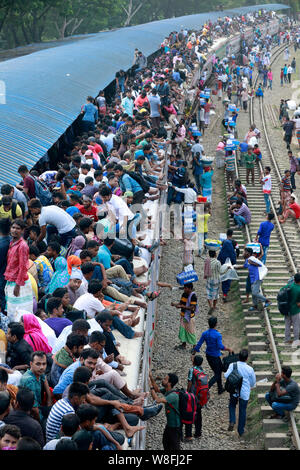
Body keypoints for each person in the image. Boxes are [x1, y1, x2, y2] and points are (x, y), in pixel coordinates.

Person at [192, 316, 233, 394]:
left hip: (208, 356)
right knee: (217, 374)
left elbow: (199, 344)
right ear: (216, 324)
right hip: (215, 357)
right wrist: (228, 349)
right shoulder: (217, 335)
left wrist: (194, 352)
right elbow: (220, 346)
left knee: (218, 372)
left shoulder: (205, 333)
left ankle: (220, 389)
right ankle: (206, 388)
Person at [4, 219, 33, 321]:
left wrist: (17, 285)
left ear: (22, 231)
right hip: (11, 280)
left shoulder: (22, 246)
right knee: (12, 311)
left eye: (18, 228)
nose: (15, 230)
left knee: (20, 313)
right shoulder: (12, 242)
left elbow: (23, 266)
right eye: (13, 227)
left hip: (19, 283)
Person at [224, 349, 256, 437]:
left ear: (238, 357)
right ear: (247, 358)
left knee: (232, 405)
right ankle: (240, 431)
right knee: (242, 410)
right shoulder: (250, 369)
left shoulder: (233, 365)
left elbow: (226, 375)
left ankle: (232, 421)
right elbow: (253, 382)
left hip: (234, 390)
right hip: (244, 392)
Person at [149, 371, 181, 451]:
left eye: (165, 379)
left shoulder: (173, 396)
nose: (163, 380)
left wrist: (151, 387)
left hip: (175, 426)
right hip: (170, 424)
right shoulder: (167, 390)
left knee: (174, 446)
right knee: (166, 443)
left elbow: (157, 400)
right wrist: (151, 378)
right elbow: (157, 390)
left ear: (169, 383)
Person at [19, 351, 52, 424]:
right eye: (38, 364)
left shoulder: (39, 372)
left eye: (44, 364)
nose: (42, 367)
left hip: (39, 407)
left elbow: (44, 379)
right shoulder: (30, 381)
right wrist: (39, 424)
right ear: (31, 364)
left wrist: (49, 401)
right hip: (30, 414)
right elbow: (34, 409)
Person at [240, 247, 271, 311]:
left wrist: (252, 263)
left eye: (244, 252)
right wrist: (234, 267)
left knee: (254, 292)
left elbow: (260, 264)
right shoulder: (248, 260)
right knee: (253, 293)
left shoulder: (252, 259)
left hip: (257, 278)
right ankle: (255, 305)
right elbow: (244, 266)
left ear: (248, 253)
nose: (243, 253)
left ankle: (267, 301)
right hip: (252, 278)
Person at [171, 283, 198, 350]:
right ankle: (183, 344)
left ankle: (194, 347)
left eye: (186, 288)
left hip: (190, 317)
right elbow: (181, 303)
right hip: (183, 316)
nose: (185, 289)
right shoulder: (184, 294)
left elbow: (192, 308)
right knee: (183, 330)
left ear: (190, 289)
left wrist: (182, 306)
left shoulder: (193, 296)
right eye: (184, 288)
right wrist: (175, 304)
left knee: (191, 332)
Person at [186, 355, 206, 440]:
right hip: (200, 395)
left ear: (194, 362)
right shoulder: (201, 370)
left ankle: (189, 434)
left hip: (192, 395)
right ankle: (198, 433)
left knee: (190, 413)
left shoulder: (192, 370)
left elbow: (190, 381)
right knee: (199, 413)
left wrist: (187, 392)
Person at [218, 229, 237, 303]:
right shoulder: (233, 243)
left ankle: (224, 294)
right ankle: (225, 293)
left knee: (224, 278)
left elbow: (220, 254)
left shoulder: (224, 244)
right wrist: (234, 263)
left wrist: (219, 261)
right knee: (228, 278)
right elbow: (234, 255)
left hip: (224, 264)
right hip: (230, 265)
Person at [282, 273, 300, 348]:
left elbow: (281, 292)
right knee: (296, 325)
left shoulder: (289, 286)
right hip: (295, 310)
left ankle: (287, 339)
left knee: (287, 324)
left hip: (287, 309)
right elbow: (298, 303)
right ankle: (296, 340)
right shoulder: (299, 289)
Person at [204, 250, 222, 314]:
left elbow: (205, 269)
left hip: (209, 279)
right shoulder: (218, 262)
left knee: (209, 293)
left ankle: (211, 306)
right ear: (215, 254)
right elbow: (220, 271)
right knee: (216, 293)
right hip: (217, 280)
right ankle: (214, 306)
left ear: (209, 254)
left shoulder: (207, 261)